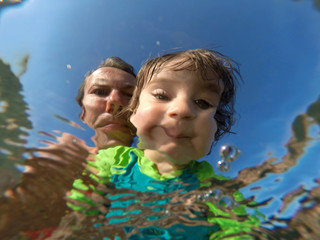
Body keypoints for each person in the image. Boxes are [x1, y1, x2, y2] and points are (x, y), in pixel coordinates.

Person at [65, 49, 260, 239]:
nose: (183, 109)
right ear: (133, 112)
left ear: (215, 128)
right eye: (161, 95)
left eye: (203, 103)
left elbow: (240, 231)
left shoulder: (212, 185)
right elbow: (79, 214)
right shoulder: (111, 160)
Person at [0, 57, 137, 239]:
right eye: (100, 91)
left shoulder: (172, 165)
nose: (115, 101)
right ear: (83, 113)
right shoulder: (60, 156)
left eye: (129, 95)